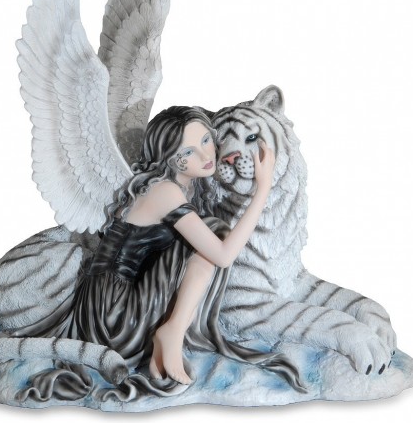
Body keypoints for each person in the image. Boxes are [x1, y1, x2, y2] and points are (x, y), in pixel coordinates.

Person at [18, 106, 303, 400]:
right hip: (114, 317)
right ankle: (173, 331)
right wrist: (263, 187)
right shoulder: (166, 192)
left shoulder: (177, 186)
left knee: (203, 236)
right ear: (168, 157)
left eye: (206, 140)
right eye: (188, 152)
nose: (206, 155)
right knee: (215, 231)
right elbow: (223, 255)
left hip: (108, 301)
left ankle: (170, 334)